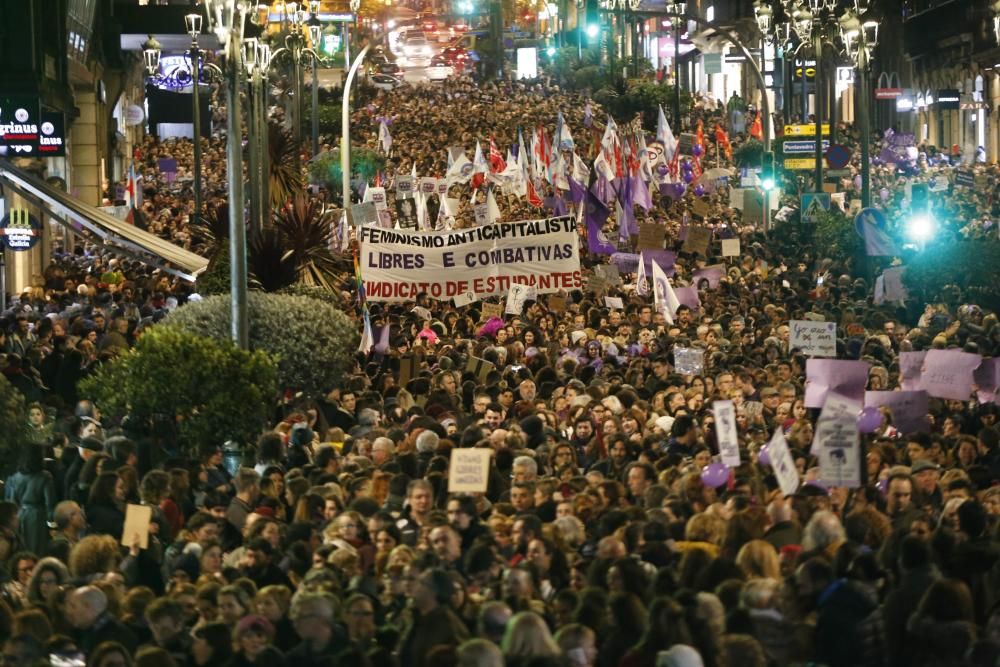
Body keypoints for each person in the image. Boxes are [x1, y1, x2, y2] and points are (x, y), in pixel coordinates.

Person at [4, 445, 56, 554]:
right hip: (37, 517)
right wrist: (53, 526)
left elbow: (11, 501)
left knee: (21, 549)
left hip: (19, 515)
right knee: (37, 550)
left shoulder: (15, 477)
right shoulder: (45, 476)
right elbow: (50, 504)